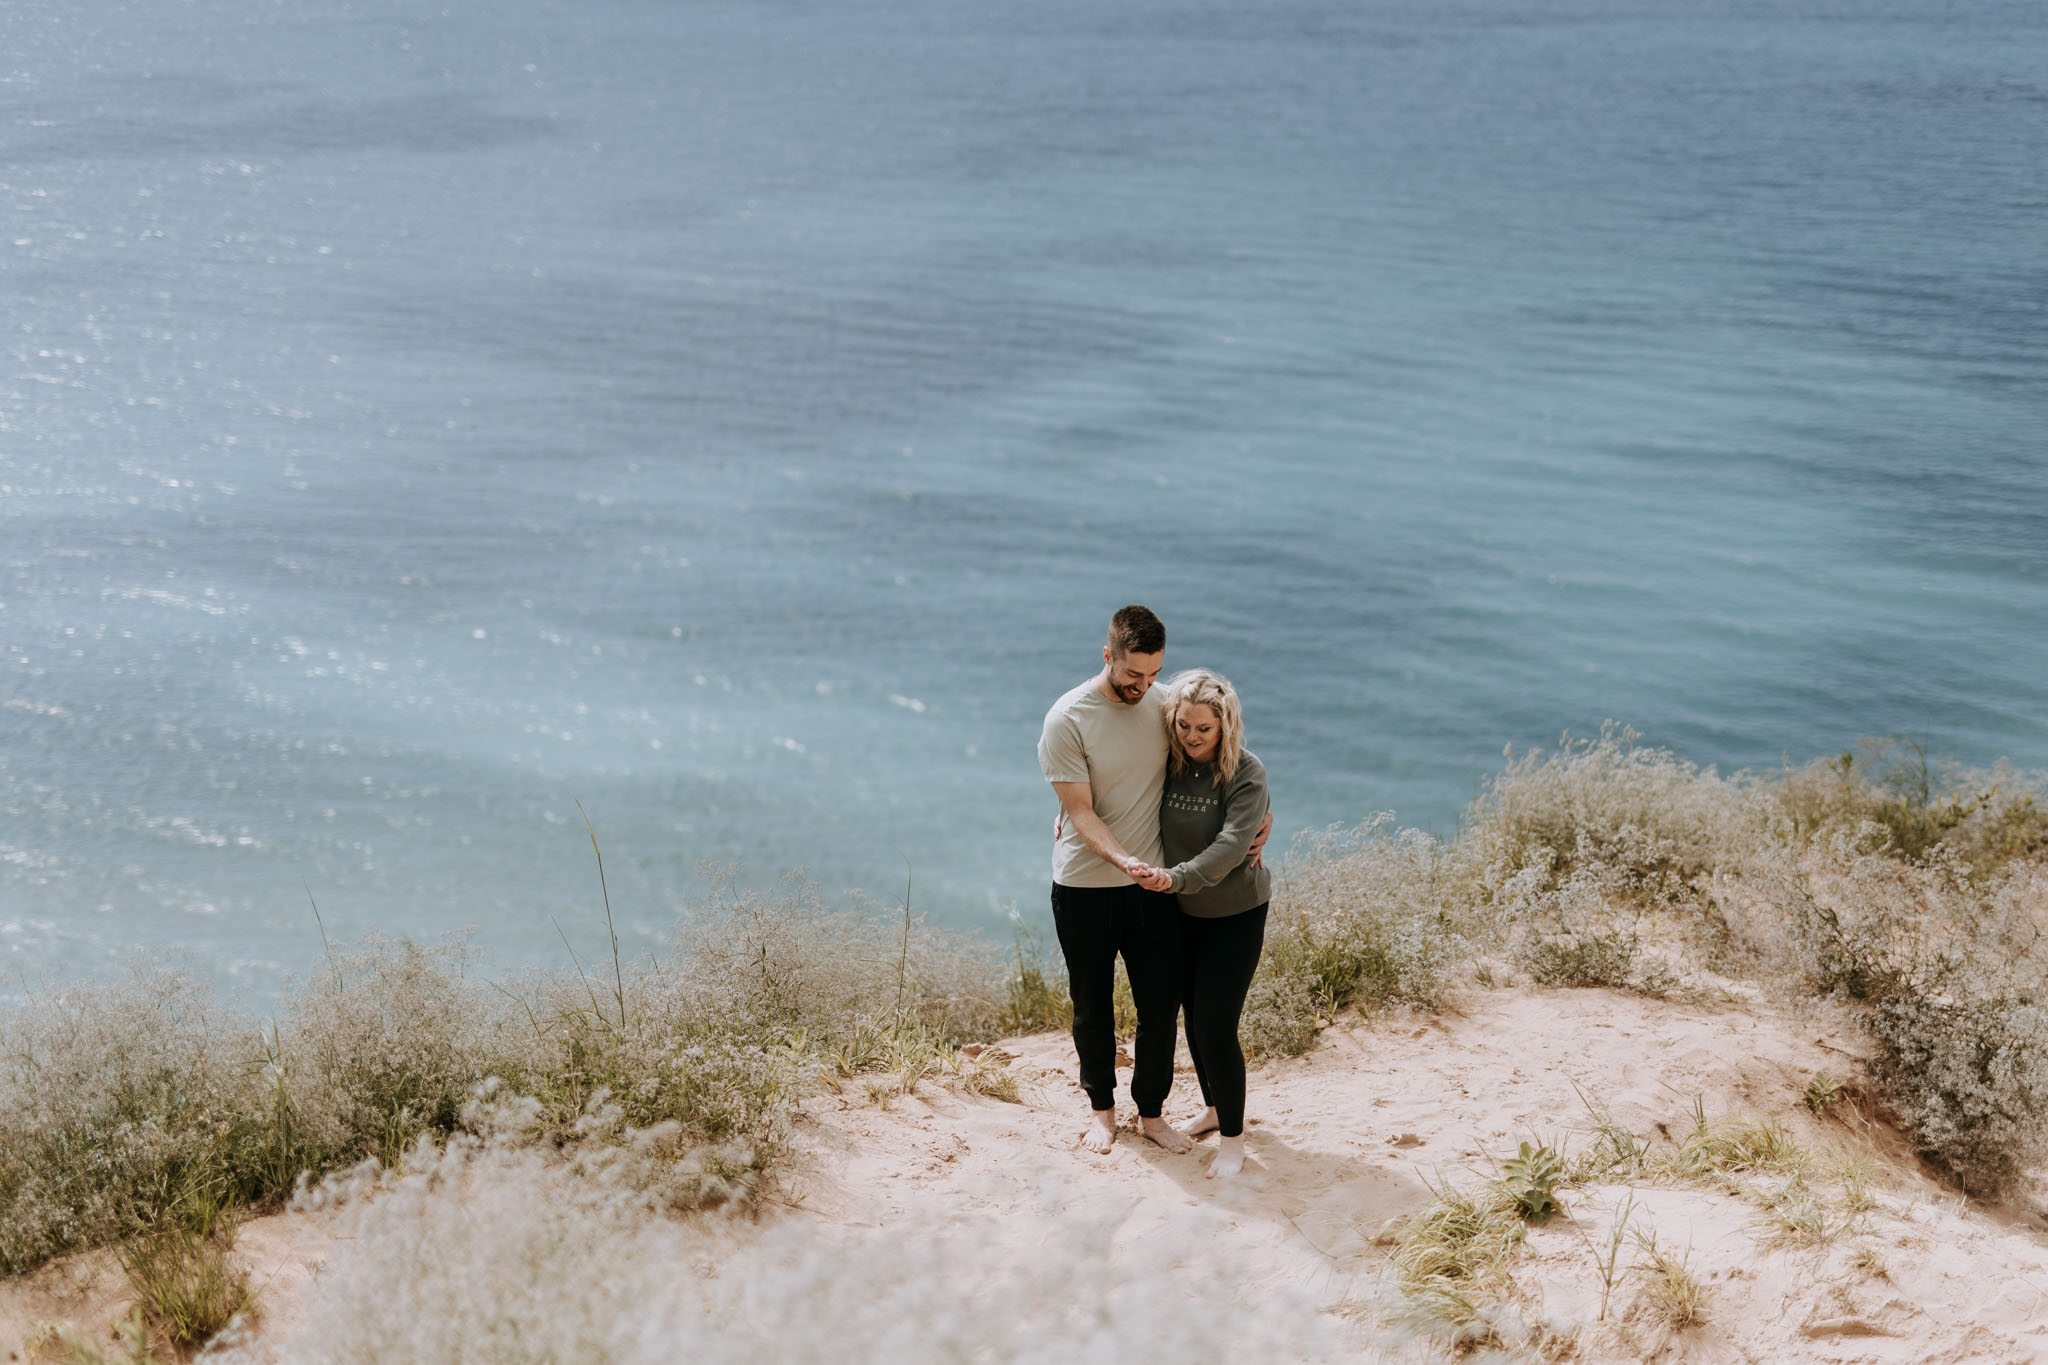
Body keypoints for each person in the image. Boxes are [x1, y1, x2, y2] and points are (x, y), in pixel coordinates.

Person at [1038, 606, 1192, 1155]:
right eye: (1133, 675)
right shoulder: (1067, 719)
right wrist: (1125, 861)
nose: (1144, 687)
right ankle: (1102, 1113)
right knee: (1092, 1006)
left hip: (1150, 888)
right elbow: (1079, 812)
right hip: (1084, 887)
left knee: (1159, 1005)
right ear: (1108, 656)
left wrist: (1260, 812)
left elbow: (1217, 745)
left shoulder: (1164, 701)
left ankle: (1151, 1114)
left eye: (1153, 675)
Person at [1130, 669, 1270, 1179]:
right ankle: (1213, 1110)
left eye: (1204, 729)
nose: (1192, 737)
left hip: (1234, 915)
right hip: (1180, 912)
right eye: (1184, 725)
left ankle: (1233, 1142)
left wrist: (1174, 878)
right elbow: (1121, 788)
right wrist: (1070, 810)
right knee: (1192, 1020)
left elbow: (1234, 845)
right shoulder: (1170, 764)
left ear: (1225, 727)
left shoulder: (1246, 773)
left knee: (1215, 1027)